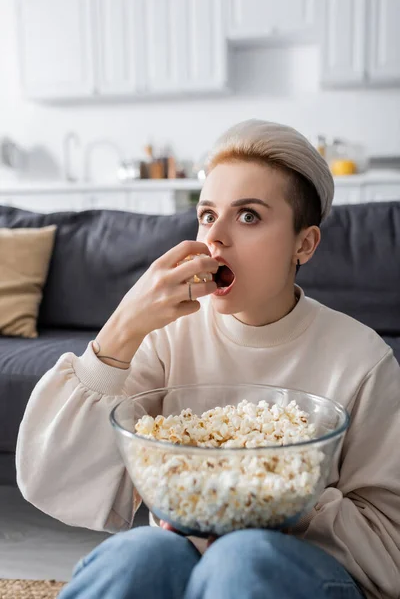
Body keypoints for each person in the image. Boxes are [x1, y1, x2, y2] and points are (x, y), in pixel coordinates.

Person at [16, 120, 400, 599]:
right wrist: (122, 328)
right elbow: (52, 479)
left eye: (248, 217)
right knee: (138, 556)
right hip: (180, 555)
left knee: (239, 559)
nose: (214, 238)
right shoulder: (168, 336)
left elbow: (389, 547)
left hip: (301, 571)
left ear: (304, 244)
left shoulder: (362, 359)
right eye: (206, 214)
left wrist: (271, 494)